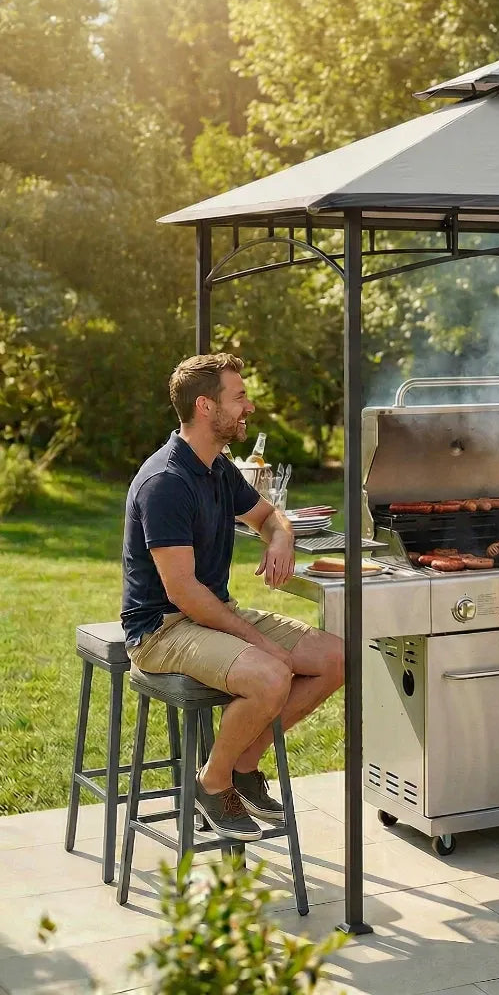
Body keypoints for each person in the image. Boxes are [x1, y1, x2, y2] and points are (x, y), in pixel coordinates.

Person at [121, 353, 344, 842]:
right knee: (271, 674)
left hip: (209, 614)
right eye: (239, 397)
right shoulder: (167, 483)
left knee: (336, 658)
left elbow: (272, 517)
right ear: (206, 406)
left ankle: (242, 765)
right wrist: (261, 644)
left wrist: (281, 538)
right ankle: (211, 782)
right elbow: (184, 593)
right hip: (164, 628)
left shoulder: (217, 467)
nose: (250, 406)